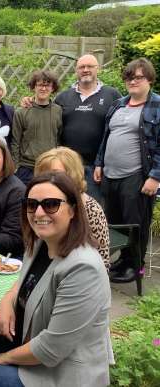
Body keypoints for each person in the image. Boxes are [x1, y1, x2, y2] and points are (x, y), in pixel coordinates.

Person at [0, 172, 113, 387]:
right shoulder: (41, 242)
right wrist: (7, 299)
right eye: (31, 204)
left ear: (73, 210)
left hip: (57, 373)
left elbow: (51, 348)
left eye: (51, 204)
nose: (39, 212)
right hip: (27, 343)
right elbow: (23, 283)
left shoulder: (82, 267)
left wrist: (2, 359)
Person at [94, 58, 160, 283]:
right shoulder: (118, 104)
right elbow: (106, 137)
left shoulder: (157, 106)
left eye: (138, 77)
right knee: (115, 221)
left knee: (136, 222)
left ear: (149, 79)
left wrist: (155, 176)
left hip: (137, 176)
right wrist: (99, 163)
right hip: (110, 175)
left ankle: (136, 265)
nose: (133, 81)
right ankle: (122, 260)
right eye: (130, 77)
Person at [54, 54, 121, 203]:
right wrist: (30, 101)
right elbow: (49, 116)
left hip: (97, 168)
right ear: (76, 70)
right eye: (81, 67)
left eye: (90, 66)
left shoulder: (112, 95)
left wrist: (102, 163)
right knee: (67, 206)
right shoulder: (63, 97)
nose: (85, 70)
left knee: (93, 209)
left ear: (98, 69)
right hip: (67, 166)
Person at [35, 147, 110, 268]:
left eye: (55, 174)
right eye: (43, 174)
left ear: (73, 175)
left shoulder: (91, 209)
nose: (48, 180)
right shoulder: (38, 204)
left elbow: (102, 261)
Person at [11, 70, 62, 185]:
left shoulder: (58, 111)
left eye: (47, 85)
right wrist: (15, 166)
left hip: (50, 166)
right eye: (40, 85)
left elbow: (58, 138)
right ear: (34, 87)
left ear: (53, 88)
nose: (43, 89)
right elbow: (15, 141)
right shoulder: (21, 112)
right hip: (26, 168)